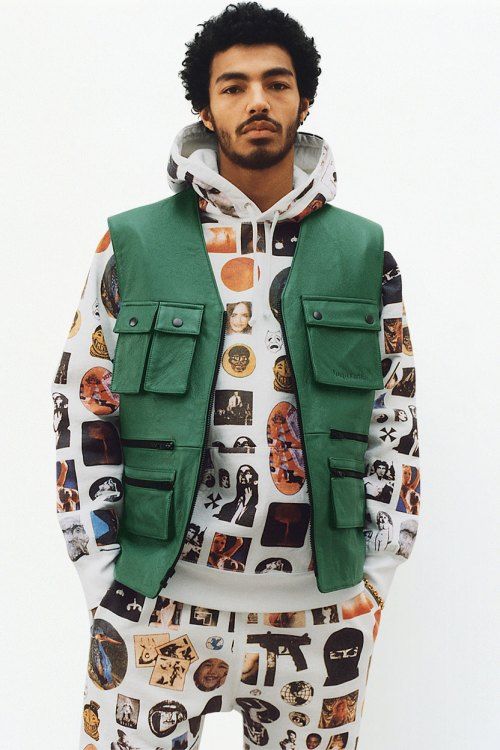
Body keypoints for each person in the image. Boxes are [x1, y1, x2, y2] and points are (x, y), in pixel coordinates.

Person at [51, 3, 421, 748]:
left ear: (303, 101)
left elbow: (395, 419)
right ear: (204, 107)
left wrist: (376, 581)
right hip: (155, 601)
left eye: (277, 83)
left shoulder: (363, 254)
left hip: (322, 611)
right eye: (234, 85)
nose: (258, 100)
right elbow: (82, 409)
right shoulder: (131, 245)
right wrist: (101, 574)